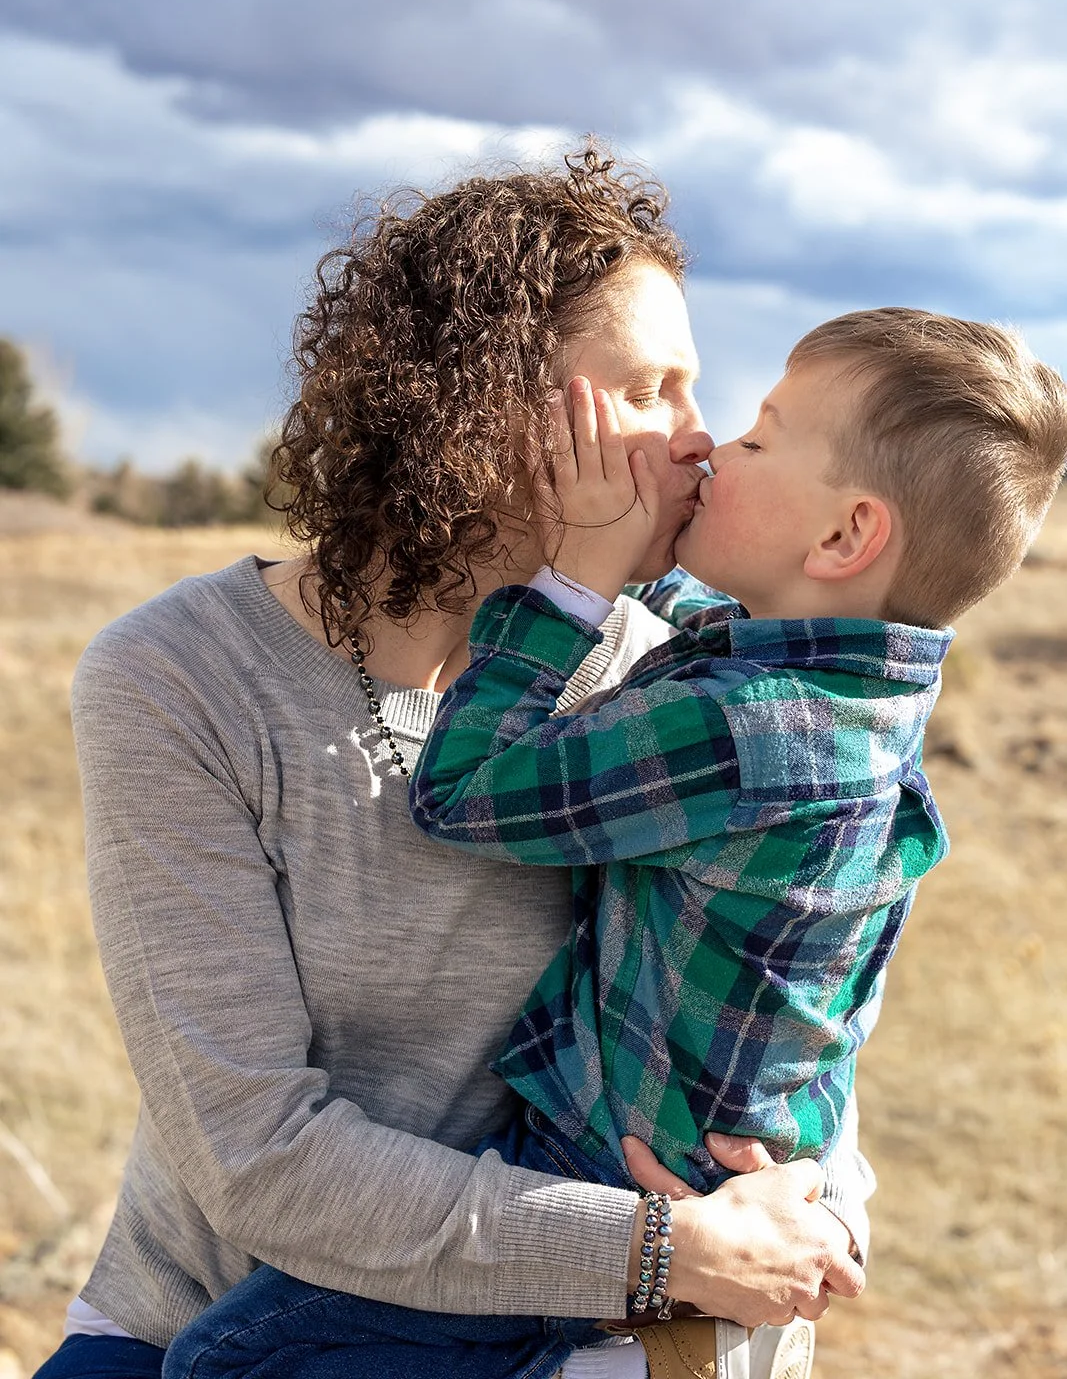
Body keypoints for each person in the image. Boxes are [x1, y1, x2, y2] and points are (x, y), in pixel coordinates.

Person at [35, 150, 870, 1379]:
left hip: (563, 1337)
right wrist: (656, 1250)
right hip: (217, 1326)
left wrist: (818, 1214)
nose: (699, 438)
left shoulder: (673, 680)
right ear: (483, 412)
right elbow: (256, 1153)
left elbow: (786, 1004)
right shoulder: (180, 675)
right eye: (649, 390)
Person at [160, 308, 1067, 1379]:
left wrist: (575, 581)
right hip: (726, 1155)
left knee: (223, 1360)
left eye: (758, 439)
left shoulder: (747, 731)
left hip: (617, 1172)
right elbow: (697, 627)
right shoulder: (846, 691)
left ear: (840, 539)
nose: (710, 445)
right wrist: (628, 539)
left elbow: (464, 788)